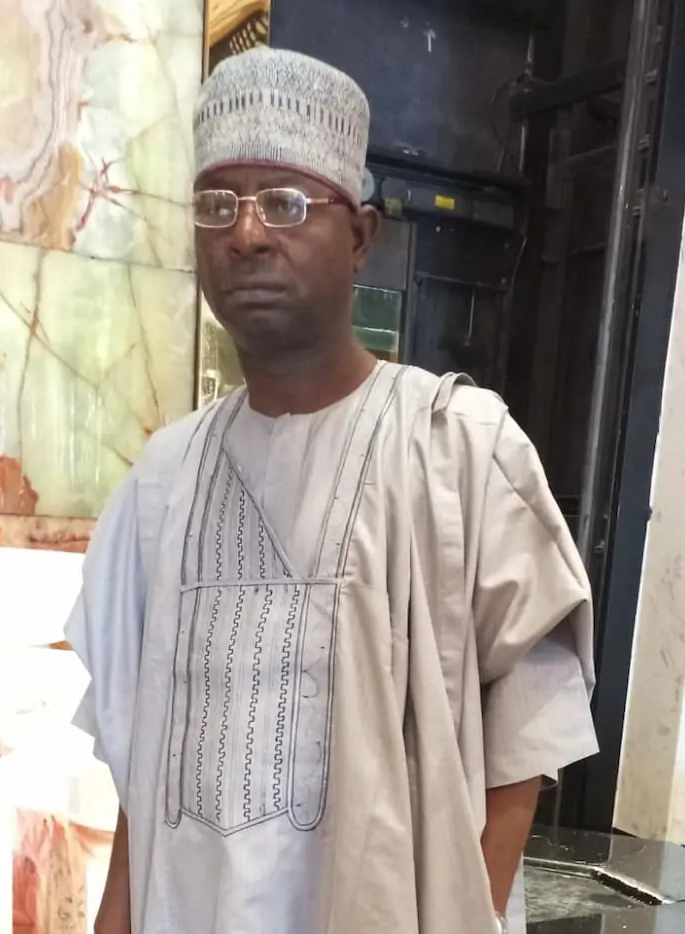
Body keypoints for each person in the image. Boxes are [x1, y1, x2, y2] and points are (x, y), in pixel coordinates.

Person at [66, 47, 598, 934]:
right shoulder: (161, 484)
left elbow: (531, 724)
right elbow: (141, 765)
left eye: (284, 202)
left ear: (360, 237)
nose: (245, 235)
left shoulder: (455, 450)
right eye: (216, 204)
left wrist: (466, 913)